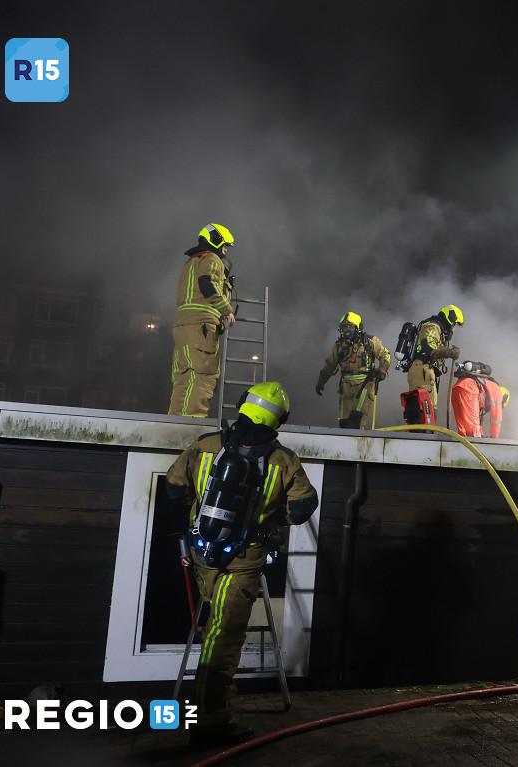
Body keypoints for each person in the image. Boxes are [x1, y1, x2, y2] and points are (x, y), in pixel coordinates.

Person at [165, 381, 318, 748]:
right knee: (223, 637)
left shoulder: (206, 445)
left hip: (203, 555)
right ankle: (211, 724)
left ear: (244, 405)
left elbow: (173, 488)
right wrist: (269, 517)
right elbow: (302, 508)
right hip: (243, 562)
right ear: (279, 418)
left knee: (214, 628)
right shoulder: (284, 460)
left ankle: (197, 711)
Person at [168, 223, 236, 417]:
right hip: (201, 327)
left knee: (183, 378)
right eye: (225, 245)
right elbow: (208, 286)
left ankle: (175, 422)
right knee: (203, 376)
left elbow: (198, 289)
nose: (225, 250)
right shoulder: (212, 259)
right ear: (215, 240)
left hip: (182, 326)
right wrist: (227, 311)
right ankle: (193, 422)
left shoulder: (191, 262)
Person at [314, 311, 392, 429]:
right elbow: (330, 365)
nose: (347, 330)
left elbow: (386, 355)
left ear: (358, 328)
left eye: (351, 327)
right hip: (346, 385)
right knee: (344, 423)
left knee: (356, 422)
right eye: (345, 327)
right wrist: (321, 381)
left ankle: (357, 440)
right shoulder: (339, 345)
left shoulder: (369, 341)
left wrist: (382, 370)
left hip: (364, 384)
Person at [405, 304, 463, 410]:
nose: (453, 329)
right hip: (422, 370)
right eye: (454, 325)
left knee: (429, 410)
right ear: (450, 319)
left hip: (426, 370)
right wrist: (450, 352)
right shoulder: (432, 326)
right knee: (424, 410)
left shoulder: (438, 329)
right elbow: (429, 347)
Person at [450, 360, 508, 438]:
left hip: (458, 387)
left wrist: (482, 435)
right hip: (470, 388)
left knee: (463, 425)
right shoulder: (497, 392)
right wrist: (494, 437)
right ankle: (476, 444)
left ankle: (465, 440)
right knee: (472, 427)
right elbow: (496, 419)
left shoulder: (490, 387)